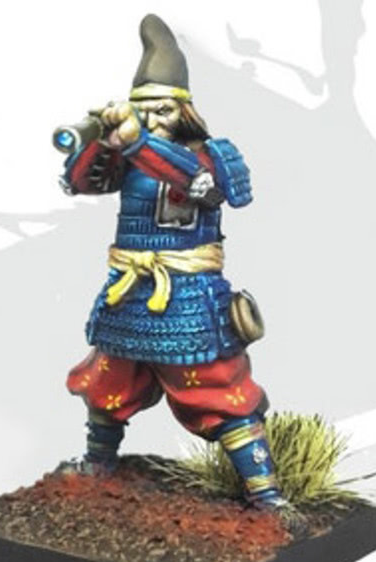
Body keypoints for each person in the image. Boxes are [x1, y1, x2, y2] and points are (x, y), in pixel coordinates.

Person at [57, 14, 288, 511]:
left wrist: (138, 142)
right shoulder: (129, 159)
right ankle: (98, 464)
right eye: (144, 111)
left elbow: (197, 183)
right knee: (108, 381)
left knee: (219, 389)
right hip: (128, 291)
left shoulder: (212, 156)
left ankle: (266, 495)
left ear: (184, 110)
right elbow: (80, 182)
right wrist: (99, 139)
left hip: (188, 296)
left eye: (162, 110)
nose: (153, 120)